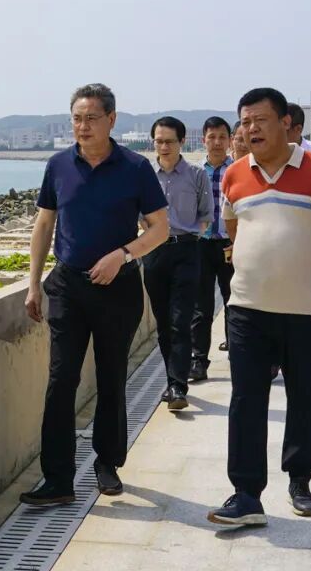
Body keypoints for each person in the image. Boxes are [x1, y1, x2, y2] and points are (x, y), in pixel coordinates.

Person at [208, 87, 311, 527]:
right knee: (245, 399)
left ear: (285, 124)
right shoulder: (235, 174)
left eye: (261, 120)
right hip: (246, 309)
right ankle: (246, 494)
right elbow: (232, 225)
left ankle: (301, 480)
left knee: (306, 397)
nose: (251, 129)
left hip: (306, 311)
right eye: (245, 122)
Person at [22, 83, 169, 506]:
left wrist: (122, 255)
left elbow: (160, 228)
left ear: (111, 120)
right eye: (76, 119)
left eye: (91, 118)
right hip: (68, 286)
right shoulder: (58, 165)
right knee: (61, 379)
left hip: (118, 288)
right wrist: (33, 284)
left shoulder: (135, 168)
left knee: (111, 377)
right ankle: (57, 479)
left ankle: (107, 464)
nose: (82, 126)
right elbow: (44, 225)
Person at [143, 116, 211, 409]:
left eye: (169, 141)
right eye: (159, 141)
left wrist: (192, 235)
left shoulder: (196, 175)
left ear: (182, 142)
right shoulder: (146, 176)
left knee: (180, 320)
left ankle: (177, 386)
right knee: (163, 323)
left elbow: (206, 215)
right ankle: (173, 380)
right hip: (154, 252)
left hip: (186, 250)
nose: (164, 147)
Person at [191, 117, 234, 368]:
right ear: (203, 140)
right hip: (201, 245)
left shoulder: (238, 170)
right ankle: (198, 360)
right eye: (212, 137)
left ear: (230, 140)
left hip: (231, 244)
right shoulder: (195, 172)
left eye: (222, 137)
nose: (217, 142)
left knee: (234, 303)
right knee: (201, 306)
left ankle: (236, 355)